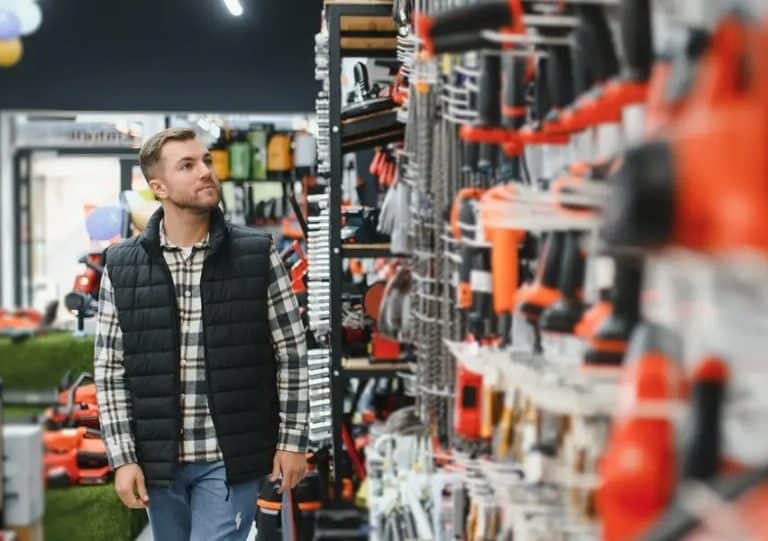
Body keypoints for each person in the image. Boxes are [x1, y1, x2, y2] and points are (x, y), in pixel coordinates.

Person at [94, 128, 309, 541]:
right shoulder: (121, 265)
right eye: (187, 165)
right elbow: (110, 370)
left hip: (230, 458)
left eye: (206, 161)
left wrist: (292, 441)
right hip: (157, 462)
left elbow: (291, 354)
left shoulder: (256, 254)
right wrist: (122, 458)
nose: (205, 172)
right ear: (159, 187)